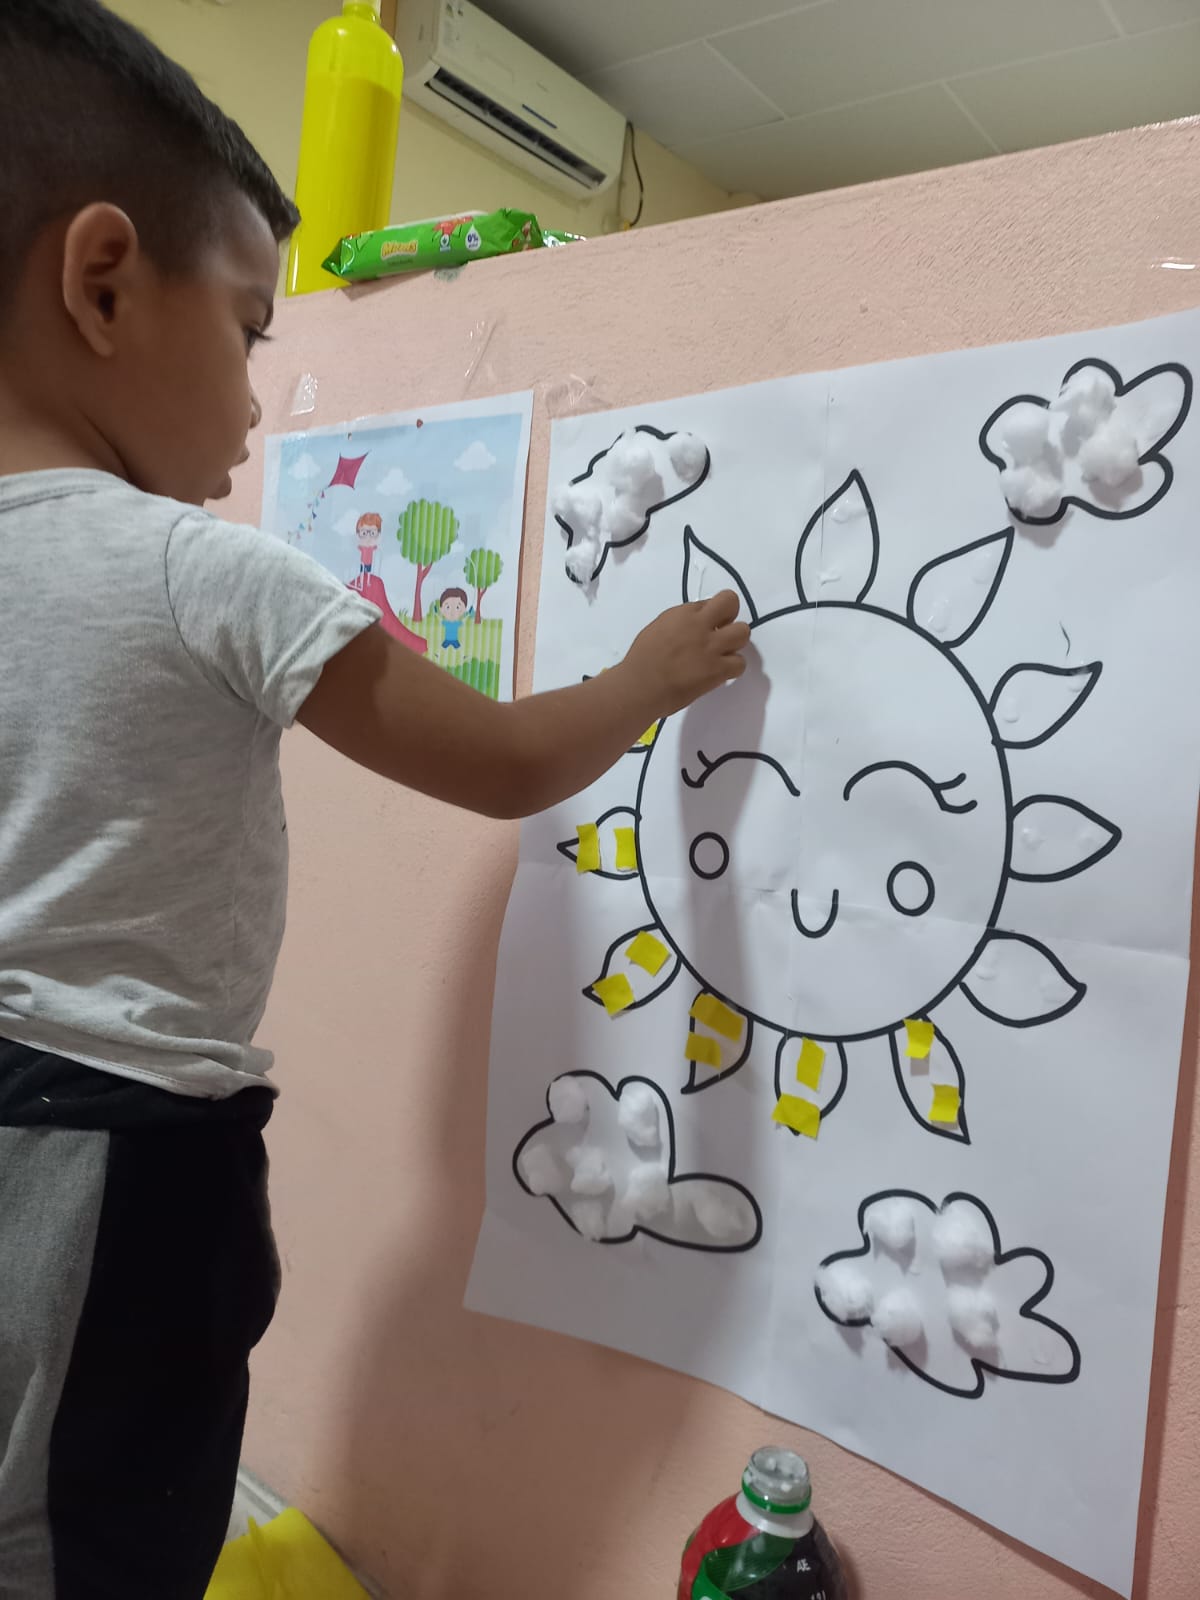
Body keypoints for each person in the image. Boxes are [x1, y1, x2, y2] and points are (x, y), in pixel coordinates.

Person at [0, 4, 751, 1598]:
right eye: (250, 330)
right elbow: (508, 762)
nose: (258, 402)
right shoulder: (201, 569)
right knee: (99, 1538)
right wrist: (646, 675)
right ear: (103, 281)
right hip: (112, 1156)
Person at [353, 509, 383, 585]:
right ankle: (361, 582)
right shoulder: (362, 547)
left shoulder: (372, 547)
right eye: (364, 533)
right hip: (362, 562)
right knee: (362, 572)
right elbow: (358, 548)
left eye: (372, 533)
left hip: (369, 562)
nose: (368, 537)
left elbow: (376, 547)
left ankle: (368, 582)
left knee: (368, 572)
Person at [438, 584, 470, 649]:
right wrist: (436, 612)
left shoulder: (457, 623)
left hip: (455, 640)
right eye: (447, 607)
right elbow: (439, 619)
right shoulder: (446, 623)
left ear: (464, 609)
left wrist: (469, 613)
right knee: (442, 648)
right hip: (447, 640)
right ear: (441, 609)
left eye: (457, 607)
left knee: (459, 648)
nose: (452, 612)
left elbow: (464, 619)